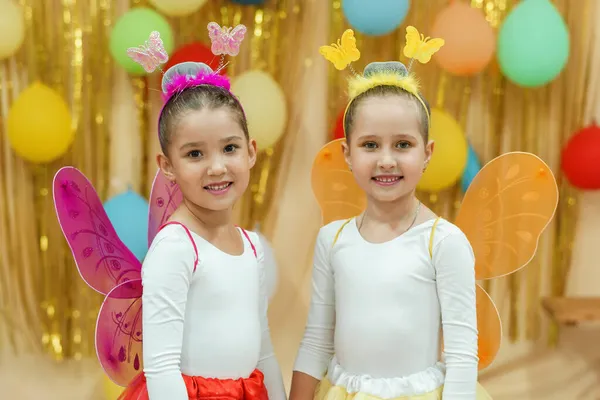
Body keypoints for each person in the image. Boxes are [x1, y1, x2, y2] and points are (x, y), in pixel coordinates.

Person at [53, 24, 286, 400]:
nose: (216, 167)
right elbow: (161, 368)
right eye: (195, 153)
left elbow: (264, 350)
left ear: (251, 151)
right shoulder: (176, 248)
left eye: (229, 148)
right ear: (167, 166)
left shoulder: (253, 246)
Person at [290, 27, 494, 400]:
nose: (387, 160)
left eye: (403, 144)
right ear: (348, 154)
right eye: (370, 145)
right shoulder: (333, 240)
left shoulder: (443, 242)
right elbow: (317, 340)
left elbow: (463, 354)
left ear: (427, 153)